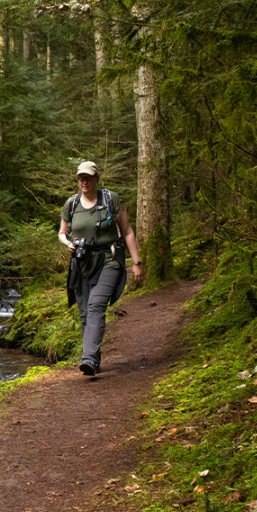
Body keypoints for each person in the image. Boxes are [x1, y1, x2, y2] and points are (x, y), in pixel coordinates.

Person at [58, 161, 143, 377]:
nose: (84, 182)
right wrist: (68, 243)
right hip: (82, 262)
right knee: (85, 312)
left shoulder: (111, 200)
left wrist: (136, 263)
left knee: (96, 305)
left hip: (109, 259)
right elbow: (62, 232)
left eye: (88, 177)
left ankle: (87, 358)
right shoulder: (71, 204)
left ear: (96, 178)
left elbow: (127, 231)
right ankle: (93, 359)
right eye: (80, 178)